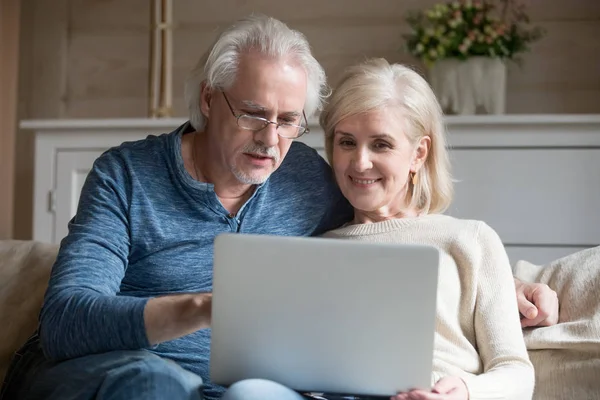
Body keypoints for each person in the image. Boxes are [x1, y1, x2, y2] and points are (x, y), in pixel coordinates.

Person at [0, 14, 554, 400]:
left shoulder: (310, 181)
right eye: (252, 113)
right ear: (208, 100)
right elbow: (65, 322)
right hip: (113, 377)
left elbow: (398, 235)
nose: (271, 140)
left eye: (290, 120)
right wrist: (205, 307)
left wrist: (511, 283)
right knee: (160, 386)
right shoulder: (125, 175)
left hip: (239, 392)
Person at [224, 59, 536, 400]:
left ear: (418, 153)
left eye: (381, 144)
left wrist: (463, 391)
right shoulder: (312, 246)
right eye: (346, 142)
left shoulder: (469, 239)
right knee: (248, 391)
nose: (360, 162)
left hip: (428, 394)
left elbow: (515, 370)